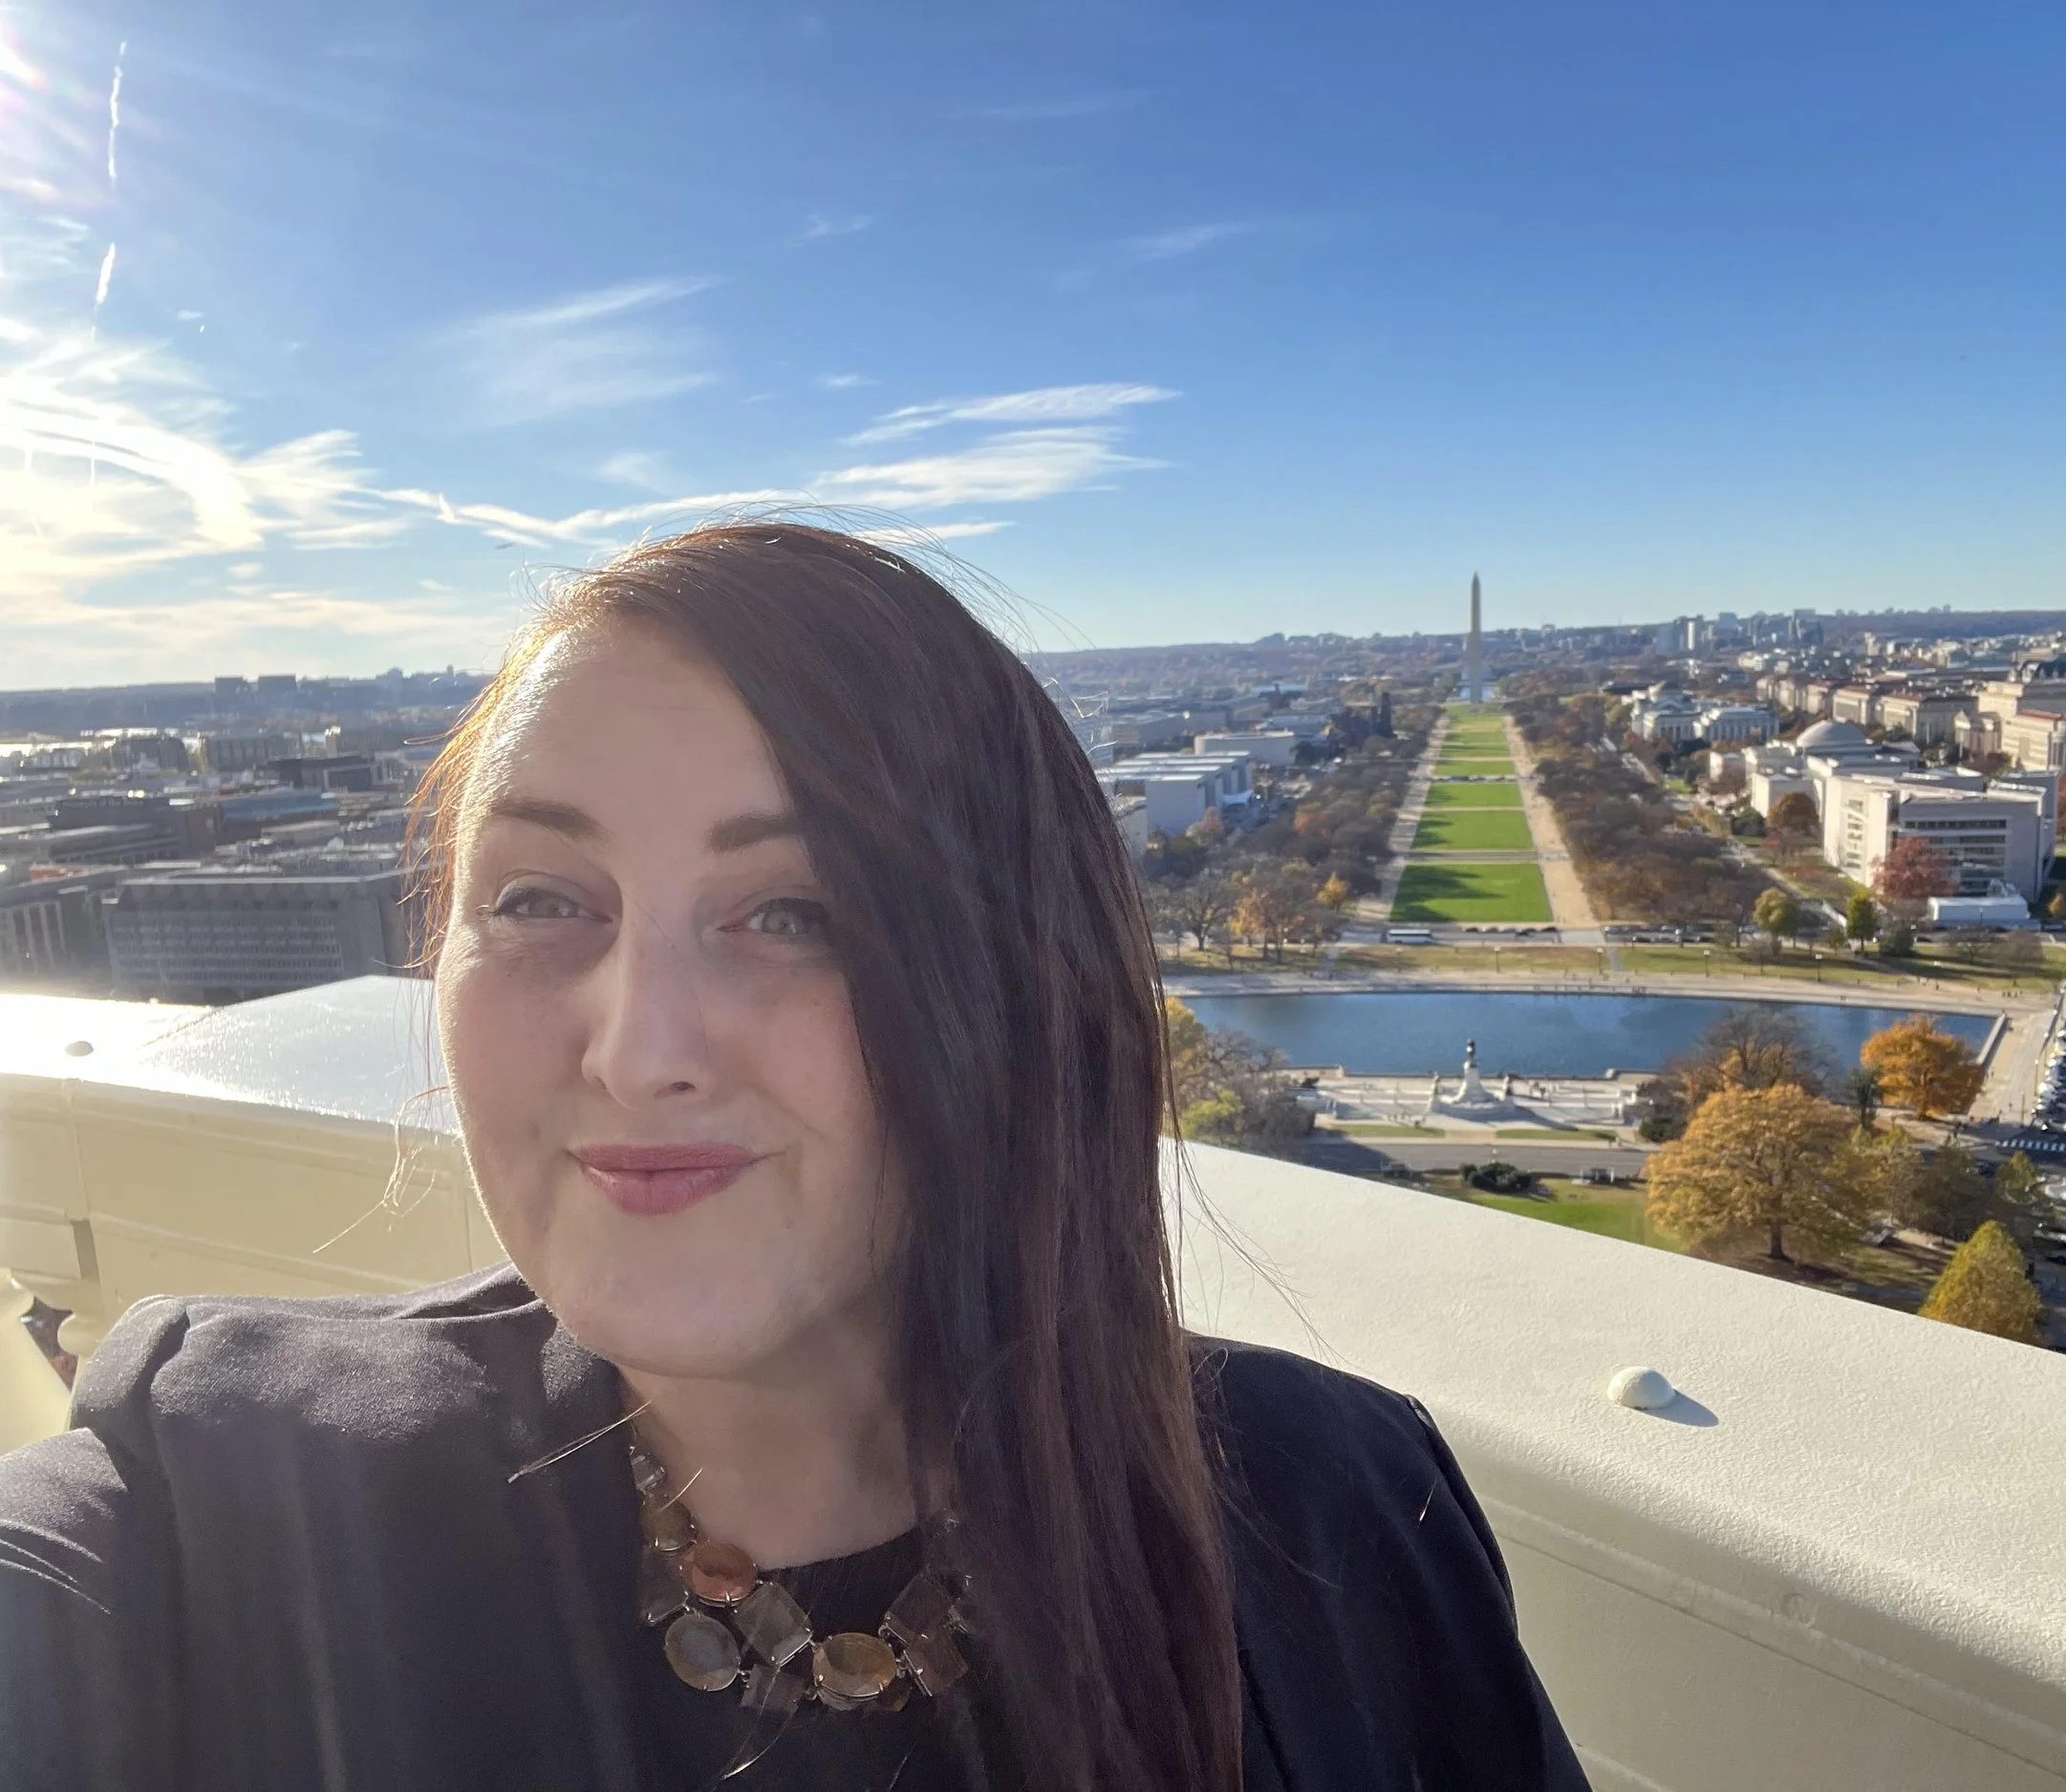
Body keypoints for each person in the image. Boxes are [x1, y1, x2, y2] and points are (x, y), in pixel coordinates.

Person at [0, 525, 1584, 1792]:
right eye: (541, 898)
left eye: (793, 912)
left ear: (1018, 988)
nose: (638, 1048)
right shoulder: (212, 1491)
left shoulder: (1349, 1513)